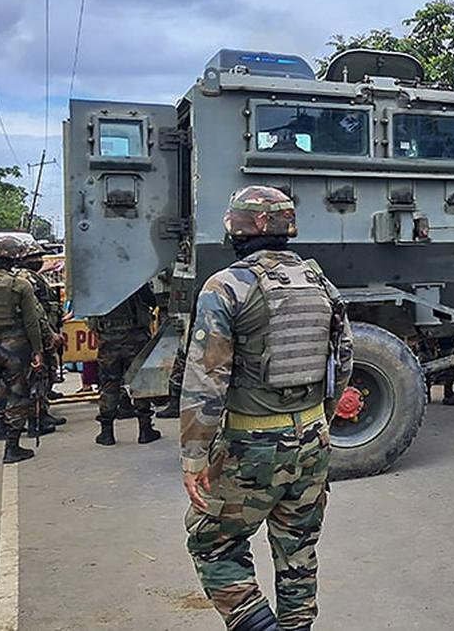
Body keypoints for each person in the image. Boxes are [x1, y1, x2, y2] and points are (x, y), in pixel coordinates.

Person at [181, 185, 353, 631]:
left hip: (250, 444)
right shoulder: (321, 282)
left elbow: (207, 377)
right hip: (312, 440)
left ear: (245, 228)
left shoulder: (226, 287)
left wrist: (194, 456)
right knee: (298, 553)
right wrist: (319, 422)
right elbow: (344, 360)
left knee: (212, 544)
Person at [0, 236, 47, 464]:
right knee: (17, 395)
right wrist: (38, 351)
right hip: (15, 349)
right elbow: (31, 322)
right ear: (13, 258)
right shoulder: (19, 284)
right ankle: (12, 448)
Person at [89, 283, 162, 446]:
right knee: (139, 383)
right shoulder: (135, 278)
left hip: (108, 340)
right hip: (135, 338)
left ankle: (106, 432)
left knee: (109, 384)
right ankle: (145, 430)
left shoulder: (98, 281)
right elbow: (151, 301)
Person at [16, 240, 66, 431]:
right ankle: (38, 417)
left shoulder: (29, 276)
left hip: (37, 333)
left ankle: (40, 414)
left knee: (41, 375)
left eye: (39, 257)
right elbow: (36, 311)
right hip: (38, 335)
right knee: (40, 376)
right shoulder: (26, 278)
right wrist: (49, 334)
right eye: (33, 257)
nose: (38, 260)